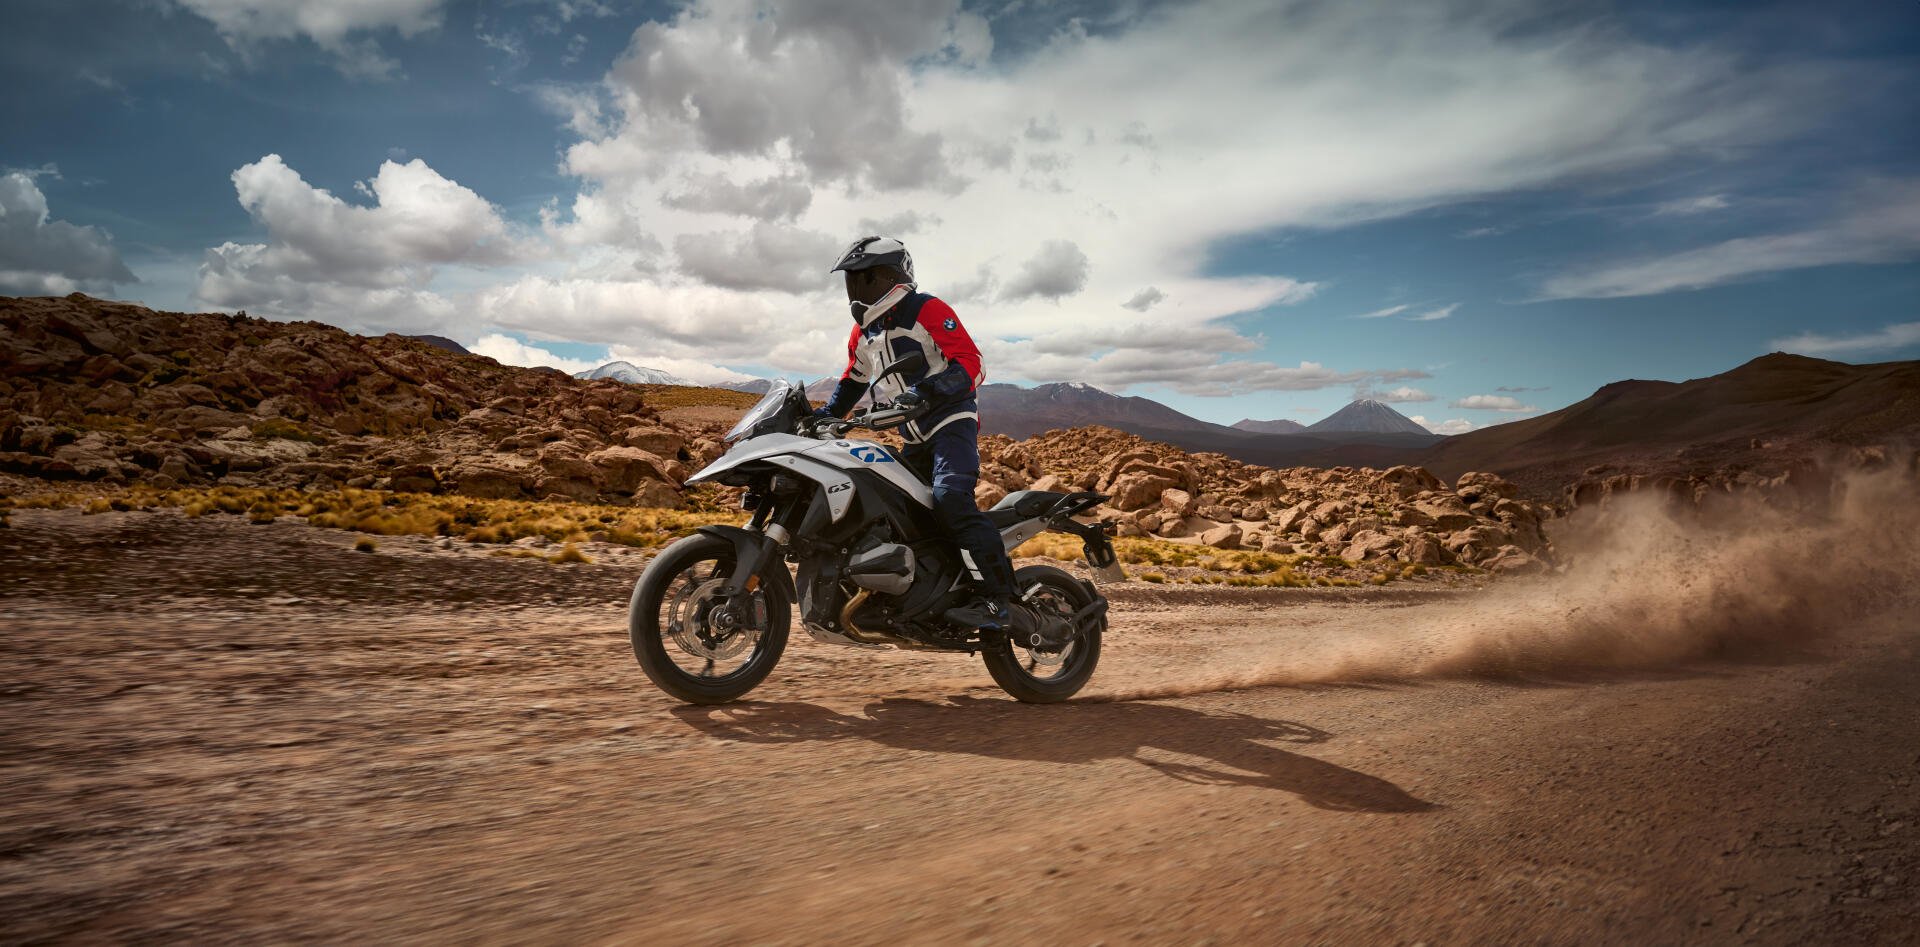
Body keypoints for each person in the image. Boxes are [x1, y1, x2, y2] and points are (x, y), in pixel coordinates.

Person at [816, 235, 1016, 633]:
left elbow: (971, 364)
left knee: (950, 498)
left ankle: (999, 599)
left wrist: (926, 391)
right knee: (892, 509)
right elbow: (853, 380)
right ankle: (921, 595)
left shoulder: (925, 308)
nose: (856, 287)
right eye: (852, 279)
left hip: (950, 424)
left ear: (891, 276)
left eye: (865, 277)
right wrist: (821, 417)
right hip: (913, 437)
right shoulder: (863, 332)